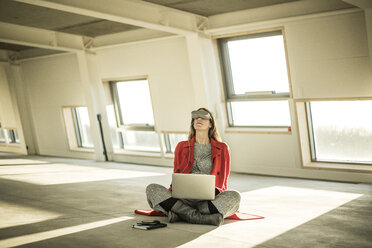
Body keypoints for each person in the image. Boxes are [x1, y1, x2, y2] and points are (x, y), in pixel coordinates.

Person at [146, 108, 241, 226]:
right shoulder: (182, 146)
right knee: (152, 189)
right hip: (183, 198)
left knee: (235, 196)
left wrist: (214, 193)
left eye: (203, 116)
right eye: (195, 117)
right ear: (193, 122)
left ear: (211, 123)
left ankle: (180, 214)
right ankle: (197, 217)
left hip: (209, 200)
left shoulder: (222, 148)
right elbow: (177, 175)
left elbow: (223, 179)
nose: (198, 119)